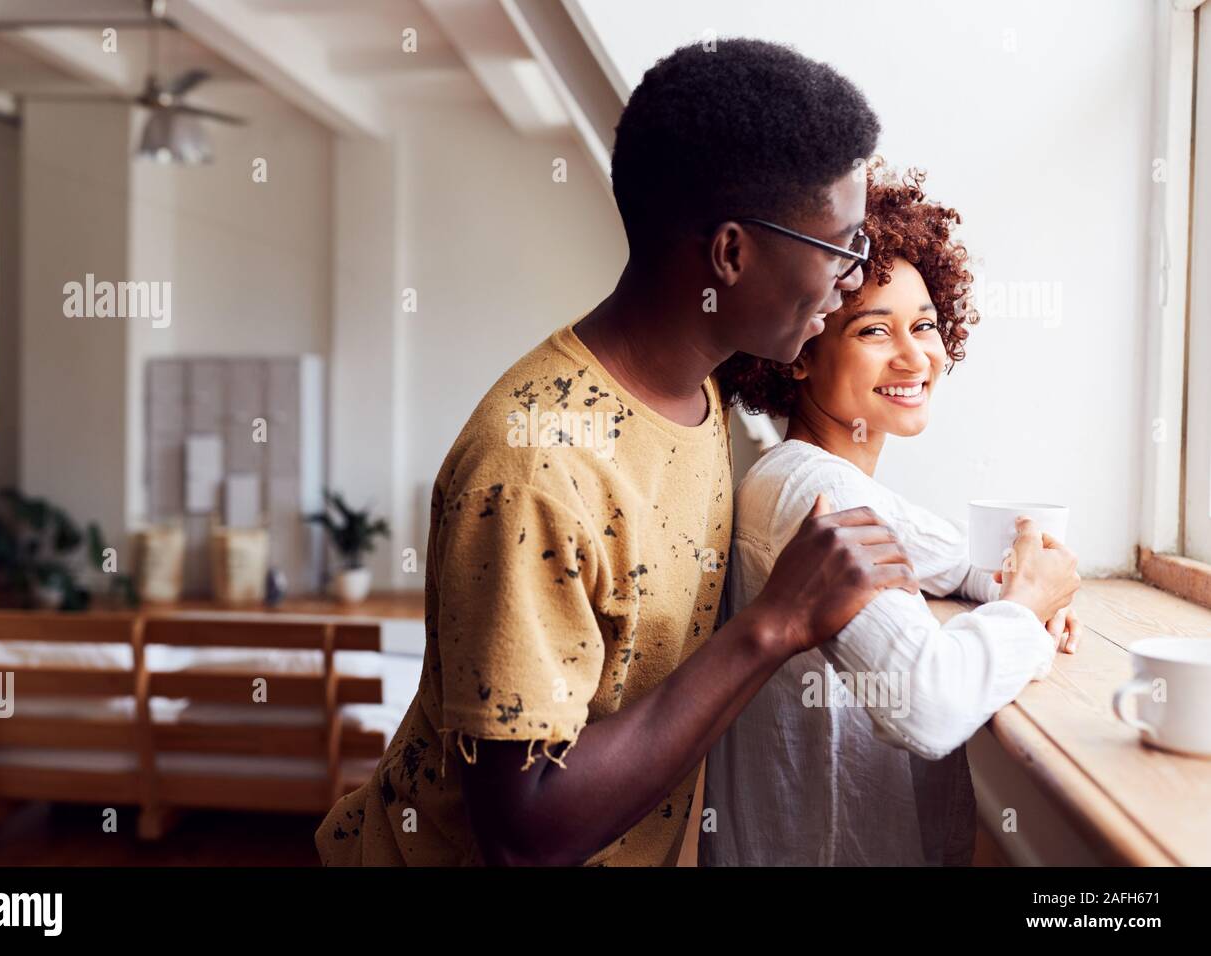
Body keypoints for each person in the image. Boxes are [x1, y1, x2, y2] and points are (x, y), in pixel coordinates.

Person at [314, 38, 916, 866]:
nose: (851, 280)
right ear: (731, 254)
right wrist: (774, 625)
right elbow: (523, 833)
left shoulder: (699, 387)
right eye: (839, 248)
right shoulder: (533, 467)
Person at [702, 163, 1082, 866]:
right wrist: (1027, 607)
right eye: (875, 330)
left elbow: (958, 559)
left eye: (926, 324)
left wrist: (1023, 591)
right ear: (800, 352)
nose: (917, 356)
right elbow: (929, 705)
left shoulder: (816, 477)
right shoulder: (814, 492)